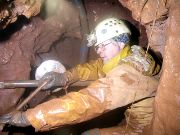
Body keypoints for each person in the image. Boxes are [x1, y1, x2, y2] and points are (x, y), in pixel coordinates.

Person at [0, 18, 161, 134]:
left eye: (103, 45)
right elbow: (95, 68)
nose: (99, 51)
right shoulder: (130, 56)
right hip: (133, 123)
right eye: (97, 47)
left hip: (148, 130)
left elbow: (87, 102)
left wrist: (30, 118)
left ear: (120, 42)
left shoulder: (131, 73)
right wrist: (65, 77)